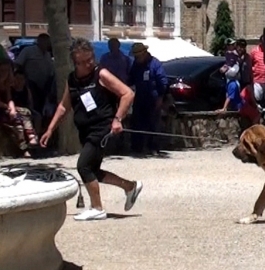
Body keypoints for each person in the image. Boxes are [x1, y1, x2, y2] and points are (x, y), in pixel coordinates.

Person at [40, 38, 142, 221]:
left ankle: (97, 208)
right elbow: (64, 107)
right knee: (93, 170)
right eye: (83, 62)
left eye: (90, 59)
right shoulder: (72, 80)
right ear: (75, 62)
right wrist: (50, 129)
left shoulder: (101, 74)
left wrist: (118, 119)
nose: (89, 64)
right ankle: (130, 186)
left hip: (102, 128)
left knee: (83, 166)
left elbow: (128, 93)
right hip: (86, 130)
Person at [0, 60, 38, 154]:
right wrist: (10, 109)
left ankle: (27, 142)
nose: (4, 73)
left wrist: (13, 109)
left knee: (20, 116)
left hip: (4, 108)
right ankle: (27, 143)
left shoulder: (6, 84)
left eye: (6, 70)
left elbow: (9, 99)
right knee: (19, 117)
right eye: (2, 70)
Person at [128, 43, 168, 155]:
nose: (136, 58)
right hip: (140, 98)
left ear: (144, 53)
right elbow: (130, 79)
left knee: (153, 124)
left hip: (153, 99)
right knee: (137, 123)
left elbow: (163, 82)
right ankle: (137, 148)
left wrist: (161, 97)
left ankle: (153, 148)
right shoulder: (135, 65)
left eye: (138, 56)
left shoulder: (155, 64)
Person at [14, 33, 55, 115]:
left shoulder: (48, 54)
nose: (46, 44)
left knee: (42, 106)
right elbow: (18, 64)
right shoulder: (28, 51)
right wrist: (23, 79)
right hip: (30, 83)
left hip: (44, 85)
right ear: (39, 41)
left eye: (48, 42)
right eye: (45, 41)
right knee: (33, 104)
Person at [249, 35, 265, 107]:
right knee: (257, 99)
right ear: (260, 42)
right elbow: (249, 63)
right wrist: (253, 69)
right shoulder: (254, 51)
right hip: (257, 80)